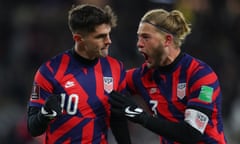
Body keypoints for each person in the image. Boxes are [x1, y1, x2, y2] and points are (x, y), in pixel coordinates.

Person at [109, 8, 227, 143]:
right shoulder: (143, 76)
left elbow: (191, 134)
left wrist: (141, 116)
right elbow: (106, 86)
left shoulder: (201, 75)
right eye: (139, 37)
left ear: (167, 40)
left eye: (146, 37)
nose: (139, 44)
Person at [27, 4, 131, 144]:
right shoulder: (50, 71)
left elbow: (117, 119)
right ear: (78, 39)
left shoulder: (116, 68)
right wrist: (44, 115)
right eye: (100, 36)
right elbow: (33, 128)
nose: (108, 41)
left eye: (108, 34)